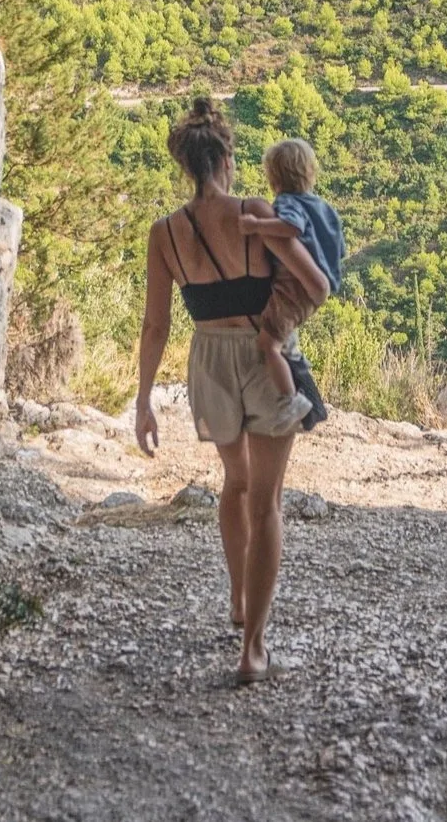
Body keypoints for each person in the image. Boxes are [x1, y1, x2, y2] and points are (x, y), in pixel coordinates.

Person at [134, 97, 331, 683]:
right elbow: (317, 283)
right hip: (260, 350)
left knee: (235, 482)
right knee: (266, 499)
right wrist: (278, 328)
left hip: (208, 362)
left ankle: (238, 601)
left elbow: (156, 324)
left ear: (185, 165)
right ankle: (253, 648)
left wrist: (144, 400)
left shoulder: (165, 234)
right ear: (226, 160)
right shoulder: (253, 210)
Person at [238, 138, 344, 431]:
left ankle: (291, 404)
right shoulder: (321, 206)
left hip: (295, 285)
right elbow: (337, 242)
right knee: (285, 341)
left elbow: (292, 228)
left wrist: (257, 227)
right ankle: (310, 403)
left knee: (269, 345)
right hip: (318, 285)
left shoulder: (287, 203)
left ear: (274, 178)